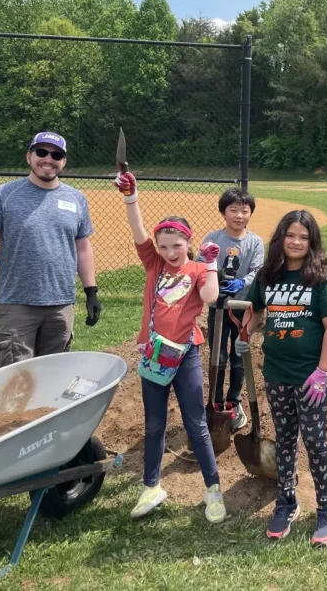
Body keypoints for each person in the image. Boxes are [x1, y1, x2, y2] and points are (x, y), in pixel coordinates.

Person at [113, 171, 226, 524]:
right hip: (152, 354)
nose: (169, 252)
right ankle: (151, 486)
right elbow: (138, 229)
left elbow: (211, 298)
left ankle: (213, 490)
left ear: (188, 242)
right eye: (163, 246)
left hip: (186, 354)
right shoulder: (153, 262)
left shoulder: (197, 268)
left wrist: (210, 265)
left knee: (196, 424)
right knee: (154, 424)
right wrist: (131, 196)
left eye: (176, 245)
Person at [0, 132, 101, 370]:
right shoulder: (3, 195)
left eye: (56, 154)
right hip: (16, 304)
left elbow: (82, 248)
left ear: (64, 161)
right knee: (11, 380)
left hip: (61, 305)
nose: (48, 159)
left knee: (51, 378)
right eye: (41, 152)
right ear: (29, 156)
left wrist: (91, 291)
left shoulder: (76, 199)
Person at [240, 210, 327, 546]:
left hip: (310, 377)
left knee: (315, 441)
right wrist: (247, 331)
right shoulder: (268, 275)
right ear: (280, 238)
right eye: (291, 235)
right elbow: (255, 309)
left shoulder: (320, 278)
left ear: (312, 242)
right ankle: (286, 501)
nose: (297, 242)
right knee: (285, 439)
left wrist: (322, 373)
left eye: (304, 237)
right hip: (276, 374)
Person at [197, 188, 264, 431]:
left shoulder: (255, 242)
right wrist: (211, 270)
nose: (239, 215)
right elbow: (198, 263)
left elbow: (258, 271)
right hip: (218, 307)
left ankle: (234, 400)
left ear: (250, 214)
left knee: (239, 355)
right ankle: (214, 402)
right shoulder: (213, 238)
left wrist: (242, 283)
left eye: (244, 211)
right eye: (233, 210)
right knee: (218, 354)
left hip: (243, 307)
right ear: (224, 212)